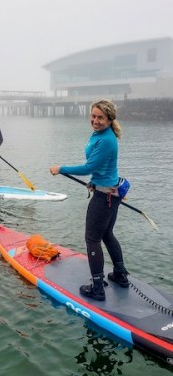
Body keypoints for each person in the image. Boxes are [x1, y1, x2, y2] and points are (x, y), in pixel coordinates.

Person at [50, 99, 129, 302]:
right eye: (93, 116)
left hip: (105, 198)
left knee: (92, 239)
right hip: (110, 191)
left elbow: (89, 166)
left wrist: (61, 169)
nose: (95, 120)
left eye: (100, 117)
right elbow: (104, 168)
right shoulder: (101, 134)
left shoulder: (107, 140)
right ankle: (120, 274)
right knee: (107, 234)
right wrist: (95, 182)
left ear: (110, 119)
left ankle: (97, 288)